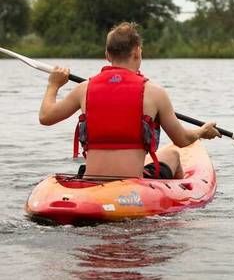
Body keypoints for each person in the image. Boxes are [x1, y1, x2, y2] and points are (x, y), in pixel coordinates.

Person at [38, 22, 221, 179]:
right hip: (133, 187)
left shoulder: (84, 89)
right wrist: (202, 131)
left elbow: (46, 117)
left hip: (91, 181)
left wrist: (53, 84)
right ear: (137, 52)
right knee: (173, 154)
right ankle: (176, 198)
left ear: (107, 55)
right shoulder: (155, 93)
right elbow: (182, 139)